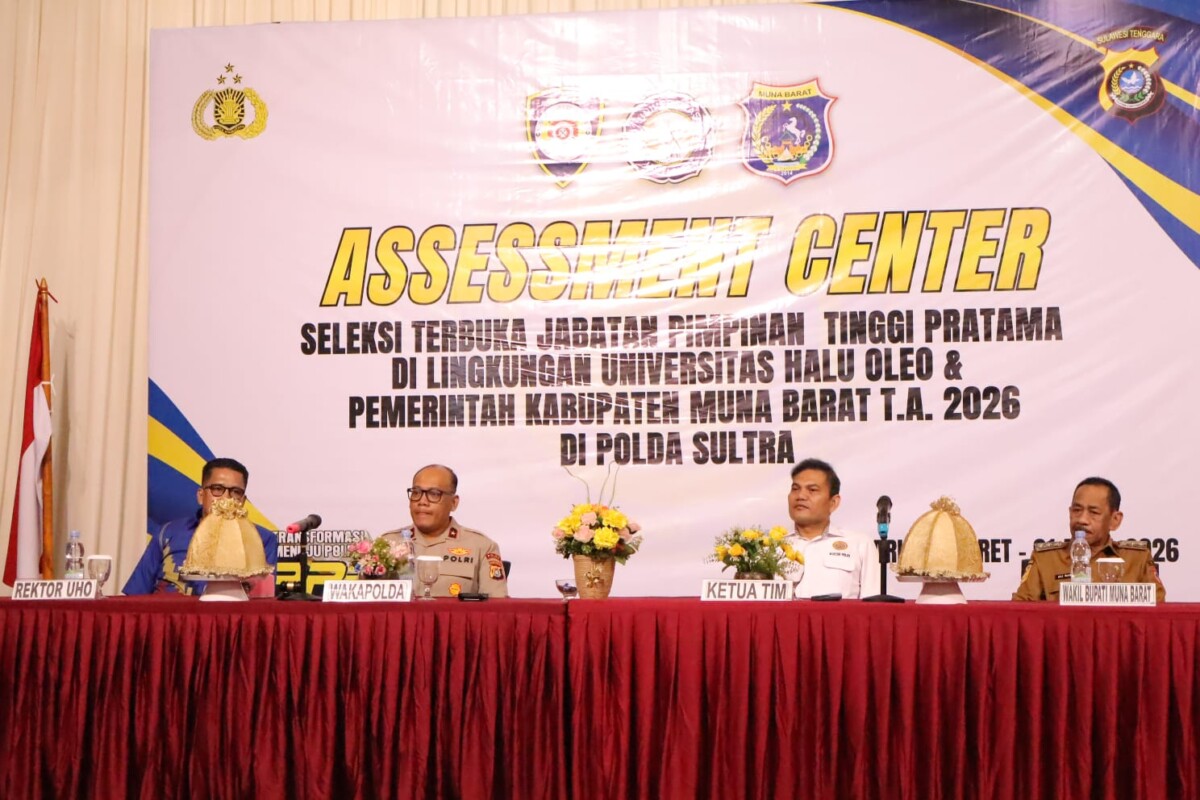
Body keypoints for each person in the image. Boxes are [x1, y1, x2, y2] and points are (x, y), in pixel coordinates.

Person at [123, 457, 279, 595]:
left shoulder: (262, 540)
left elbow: (262, 600)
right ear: (201, 495)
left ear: (243, 501)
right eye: (217, 489)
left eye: (235, 492)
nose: (226, 498)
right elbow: (136, 595)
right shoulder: (168, 532)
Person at [1013, 477, 1164, 602]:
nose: (1082, 519)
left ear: (1115, 520)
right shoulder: (1046, 559)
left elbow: (1158, 612)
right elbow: (1020, 611)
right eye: (1077, 510)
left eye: (1094, 512)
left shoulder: (1137, 559)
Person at [381, 464, 508, 598]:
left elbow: (496, 606)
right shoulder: (386, 544)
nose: (422, 501)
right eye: (416, 493)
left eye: (434, 494)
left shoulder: (481, 547)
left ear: (454, 503)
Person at [786, 458, 880, 599]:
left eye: (812, 490)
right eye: (795, 489)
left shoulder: (860, 544)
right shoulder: (768, 548)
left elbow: (873, 606)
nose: (800, 496)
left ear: (833, 502)